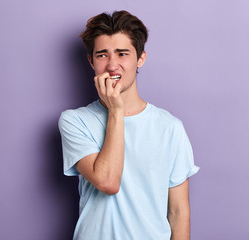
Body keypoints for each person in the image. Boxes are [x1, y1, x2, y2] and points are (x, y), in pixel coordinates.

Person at [58, 10, 199, 240]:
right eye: (102, 55)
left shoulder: (169, 127)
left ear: (140, 58)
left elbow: (178, 212)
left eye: (122, 53)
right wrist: (116, 109)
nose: (112, 65)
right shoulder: (75, 121)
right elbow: (108, 181)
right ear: (91, 61)